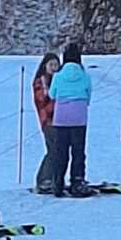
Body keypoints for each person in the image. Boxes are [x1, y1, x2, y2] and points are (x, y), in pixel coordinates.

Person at [48, 41, 92, 197]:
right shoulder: (85, 76)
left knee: (61, 152)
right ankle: (77, 182)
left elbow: (52, 94)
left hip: (61, 118)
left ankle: (58, 183)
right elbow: (88, 96)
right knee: (78, 151)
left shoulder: (58, 76)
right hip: (79, 118)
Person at [32, 52, 61, 194]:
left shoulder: (58, 79)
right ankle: (44, 179)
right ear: (45, 66)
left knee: (57, 150)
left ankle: (52, 178)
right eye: (51, 65)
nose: (54, 68)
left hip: (58, 120)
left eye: (56, 65)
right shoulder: (41, 81)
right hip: (48, 120)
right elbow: (43, 100)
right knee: (53, 150)